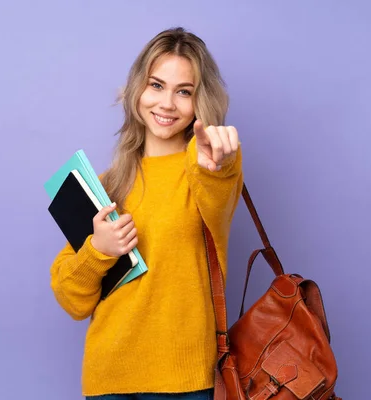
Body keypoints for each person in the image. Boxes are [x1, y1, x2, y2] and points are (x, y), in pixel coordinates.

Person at [50, 27, 243, 400]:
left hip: (185, 382)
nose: (167, 104)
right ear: (138, 89)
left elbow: (220, 192)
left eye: (183, 91)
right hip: (109, 377)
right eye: (156, 85)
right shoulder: (106, 184)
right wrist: (99, 250)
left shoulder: (206, 168)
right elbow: (72, 300)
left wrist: (220, 165)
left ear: (199, 101)